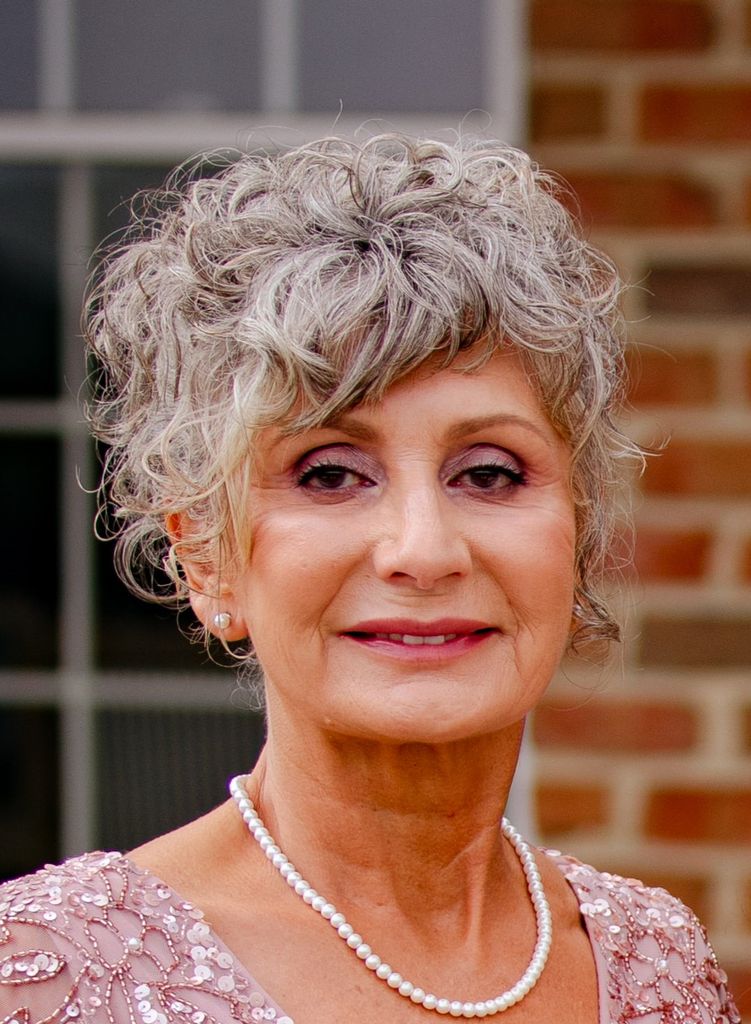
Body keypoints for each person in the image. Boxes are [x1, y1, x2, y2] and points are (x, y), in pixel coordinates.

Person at [0, 134, 738, 1024]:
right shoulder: (50, 975)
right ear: (206, 558)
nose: (422, 550)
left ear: (575, 534)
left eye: (488, 472)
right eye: (329, 474)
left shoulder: (658, 963)